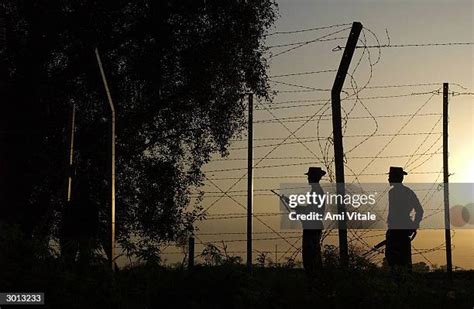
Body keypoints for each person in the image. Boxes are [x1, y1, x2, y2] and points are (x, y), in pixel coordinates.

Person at [281, 167, 326, 276]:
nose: (308, 178)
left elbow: (311, 210)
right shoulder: (317, 191)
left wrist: (294, 206)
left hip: (311, 227)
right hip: (313, 226)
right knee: (314, 256)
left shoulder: (316, 191)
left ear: (315, 177)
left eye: (310, 176)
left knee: (310, 257)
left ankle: (313, 280)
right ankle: (316, 279)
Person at [385, 166, 424, 272]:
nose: (388, 179)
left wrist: (414, 225)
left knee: (396, 263)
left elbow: (419, 210)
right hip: (399, 231)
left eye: (390, 176)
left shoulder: (397, 193)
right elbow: (419, 210)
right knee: (401, 262)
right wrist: (414, 225)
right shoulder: (401, 192)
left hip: (397, 232)